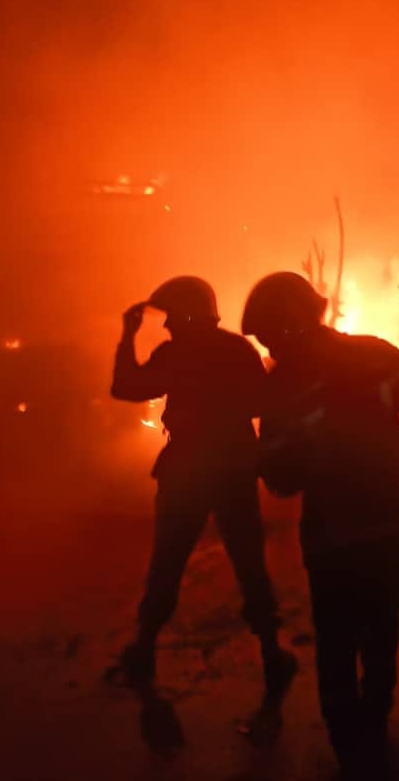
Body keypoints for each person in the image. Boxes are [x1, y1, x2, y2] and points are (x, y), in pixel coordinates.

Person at [241, 272, 399, 779]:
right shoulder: (370, 354)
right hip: (386, 522)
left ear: (287, 323)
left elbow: (282, 481)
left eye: (268, 335)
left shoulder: (283, 384)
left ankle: (350, 752)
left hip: (333, 534)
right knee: (380, 632)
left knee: (336, 642)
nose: (268, 347)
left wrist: (274, 457)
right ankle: (373, 732)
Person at [109, 275, 296, 706]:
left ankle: (144, 650)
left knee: (168, 561)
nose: (167, 325)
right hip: (233, 470)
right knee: (249, 563)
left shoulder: (174, 354)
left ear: (188, 315)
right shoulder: (237, 350)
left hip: (186, 471)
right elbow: (261, 404)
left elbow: (127, 387)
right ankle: (272, 655)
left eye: (172, 316)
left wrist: (127, 335)